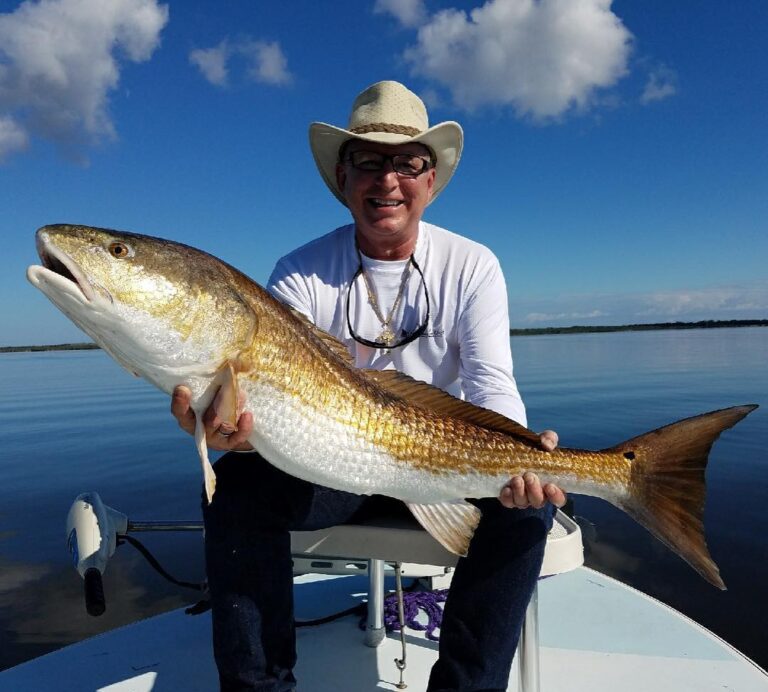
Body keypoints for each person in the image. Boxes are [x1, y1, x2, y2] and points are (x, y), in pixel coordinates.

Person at [172, 80, 566, 692]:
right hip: (334, 469)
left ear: (430, 181)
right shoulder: (300, 273)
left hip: (446, 467)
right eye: (368, 162)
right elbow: (264, 393)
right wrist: (222, 426)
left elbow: (492, 382)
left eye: (408, 163)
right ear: (343, 176)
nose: (388, 181)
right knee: (231, 488)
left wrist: (520, 453)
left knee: (526, 518)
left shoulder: (473, 264)